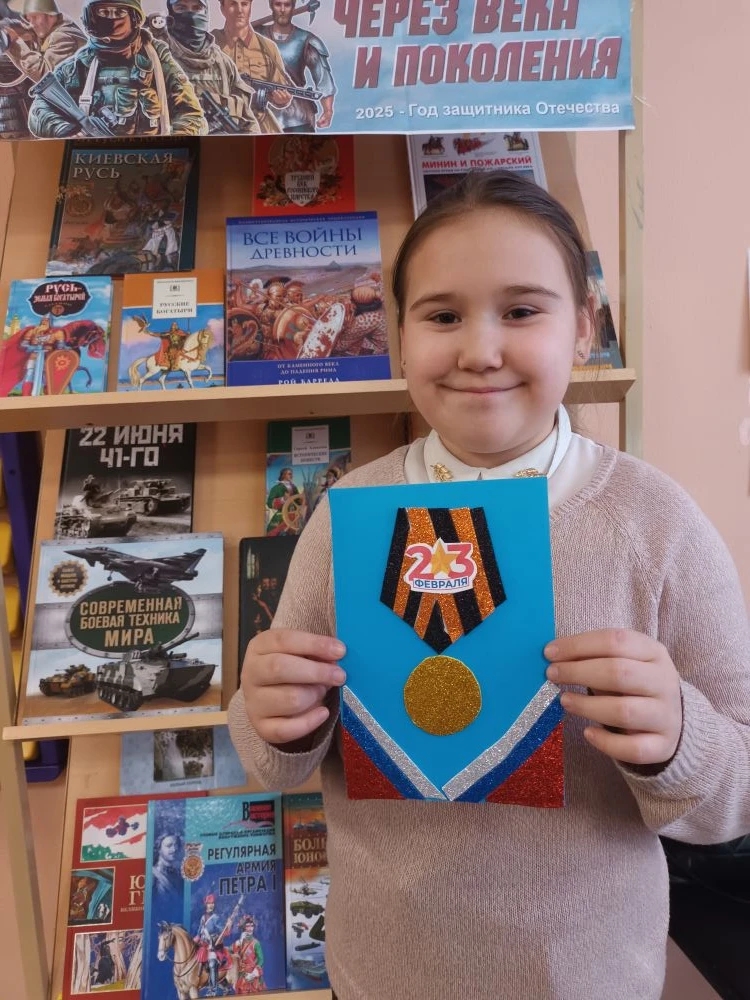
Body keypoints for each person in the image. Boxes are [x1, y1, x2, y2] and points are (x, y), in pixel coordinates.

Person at [228, 170, 750, 1000]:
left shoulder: (655, 523)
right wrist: (272, 720)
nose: (479, 350)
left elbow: (739, 793)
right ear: (401, 339)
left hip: (587, 978)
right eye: (442, 316)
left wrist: (680, 734)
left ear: (584, 328)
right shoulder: (348, 513)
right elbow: (274, 760)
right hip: (382, 971)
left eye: (522, 310)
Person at [27, 0, 207, 138]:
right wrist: (67, 131)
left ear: (134, 18)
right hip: (96, 161)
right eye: (104, 12)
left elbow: (192, 114)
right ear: (91, 16)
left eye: (119, 12)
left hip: (152, 158)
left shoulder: (158, 59)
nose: (112, 20)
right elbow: (38, 112)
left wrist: (173, 144)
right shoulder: (79, 64)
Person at [163, 0, 260, 134]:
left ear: (206, 13)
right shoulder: (157, 59)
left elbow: (248, 123)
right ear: (170, 14)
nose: (191, 15)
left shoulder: (223, 63)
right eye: (181, 8)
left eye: (196, 8)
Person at [212, 0, 293, 132]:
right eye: (233, 4)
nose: (239, 10)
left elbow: (281, 88)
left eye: (244, 4)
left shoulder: (268, 48)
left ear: (250, 7)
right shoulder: (209, 43)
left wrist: (282, 99)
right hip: (218, 122)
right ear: (222, 8)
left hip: (259, 124)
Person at [255, 0, 335, 131]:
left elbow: (323, 78)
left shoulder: (305, 39)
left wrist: (328, 110)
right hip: (261, 117)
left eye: (287, 5)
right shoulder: (255, 35)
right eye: (278, 4)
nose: (282, 10)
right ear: (271, 5)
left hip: (298, 118)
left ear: (293, 7)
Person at [0, 0, 85, 85]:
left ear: (51, 15)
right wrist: (14, 29)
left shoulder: (62, 37)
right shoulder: (54, 27)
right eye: (29, 20)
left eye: (35, 17)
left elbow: (47, 77)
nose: (32, 24)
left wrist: (16, 44)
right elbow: (37, 35)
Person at [231, 913, 266, 993]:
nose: (250, 929)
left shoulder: (256, 943)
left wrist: (253, 974)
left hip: (252, 975)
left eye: (252, 926)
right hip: (241, 975)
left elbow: (261, 960)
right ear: (244, 928)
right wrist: (240, 941)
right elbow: (233, 953)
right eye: (247, 926)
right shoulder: (239, 942)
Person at [151, 831, 183, 896]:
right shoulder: (153, 876)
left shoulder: (179, 872)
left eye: (176, 845)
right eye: (169, 846)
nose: (174, 849)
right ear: (159, 849)